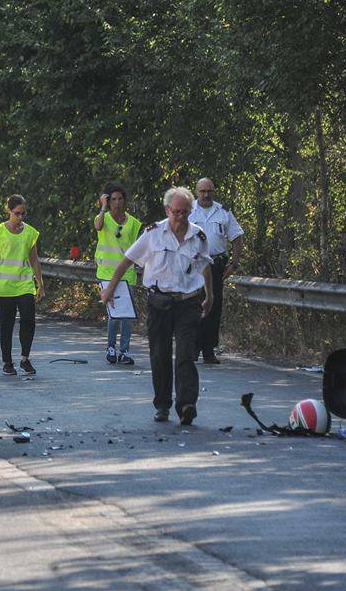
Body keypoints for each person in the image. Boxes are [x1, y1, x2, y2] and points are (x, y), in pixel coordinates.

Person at [100, 186, 213, 426]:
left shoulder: (199, 236)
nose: (181, 217)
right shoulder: (153, 234)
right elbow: (127, 260)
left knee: (185, 354)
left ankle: (186, 406)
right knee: (160, 355)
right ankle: (162, 405)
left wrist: (210, 295)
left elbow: (205, 266)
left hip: (188, 303)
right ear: (167, 210)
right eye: (176, 212)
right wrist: (110, 288)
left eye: (185, 212)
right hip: (159, 302)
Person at [0, 195, 45, 376]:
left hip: (24, 285)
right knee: (6, 325)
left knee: (28, 321)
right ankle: (7, 362)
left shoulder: (30, 232)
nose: (20, 217)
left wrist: (40, 283)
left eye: (23, 213)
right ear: (9, 211)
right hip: (4, 286)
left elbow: (34, 259)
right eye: (17, 213)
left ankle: (25, 358)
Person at [188, 177, 244, 364]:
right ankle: (194, 347)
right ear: (196, 192)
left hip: (216, 264)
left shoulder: (223, 212)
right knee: (194, 305)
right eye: (202, 191)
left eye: (209, 191)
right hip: (194, 265)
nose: (206, 195)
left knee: (213, 307)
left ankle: (209, 350)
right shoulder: (189, 211)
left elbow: (237, 237)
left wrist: (233, 264)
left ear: (214, 191)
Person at [94, 183, 142, 365]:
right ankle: (111, 347)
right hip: (106, 273)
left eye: (120, 199)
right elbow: (98, 226)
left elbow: (137, 247)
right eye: (113, 199)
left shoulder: (134, 223)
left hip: (127, 274)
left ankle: (124, 351)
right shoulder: (103, 218)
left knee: (127, 315)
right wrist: (103, 207)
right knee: (114, 313)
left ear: (124, 200)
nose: (117, 203)